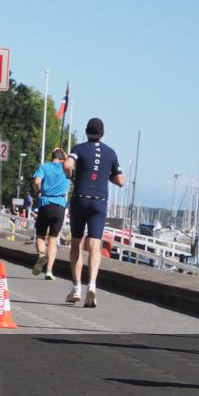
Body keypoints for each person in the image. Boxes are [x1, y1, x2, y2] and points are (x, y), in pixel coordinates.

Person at [64, 119, 124, 307]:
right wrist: (106, 175)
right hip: (99, 201)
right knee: (95, 245)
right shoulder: (111, 152)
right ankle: (92, 285)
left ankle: (76, 287)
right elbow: (121, 180)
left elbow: (67, 164)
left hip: (80, 198)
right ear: (103, 133)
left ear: (86, 132)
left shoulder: (79, 148)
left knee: (76, 243)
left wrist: (71, 175)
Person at [31, 148, 70, 280]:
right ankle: (49, 271)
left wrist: (37, 192)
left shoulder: (44, 167)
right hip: (60, 205)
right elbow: (71, 161)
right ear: (63, 158)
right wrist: (65, 155)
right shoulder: (67, 169)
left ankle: (42, 255)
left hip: (45, 203)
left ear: (52, 156)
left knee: (40, 236)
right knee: (53, 239)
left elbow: (36, 181)